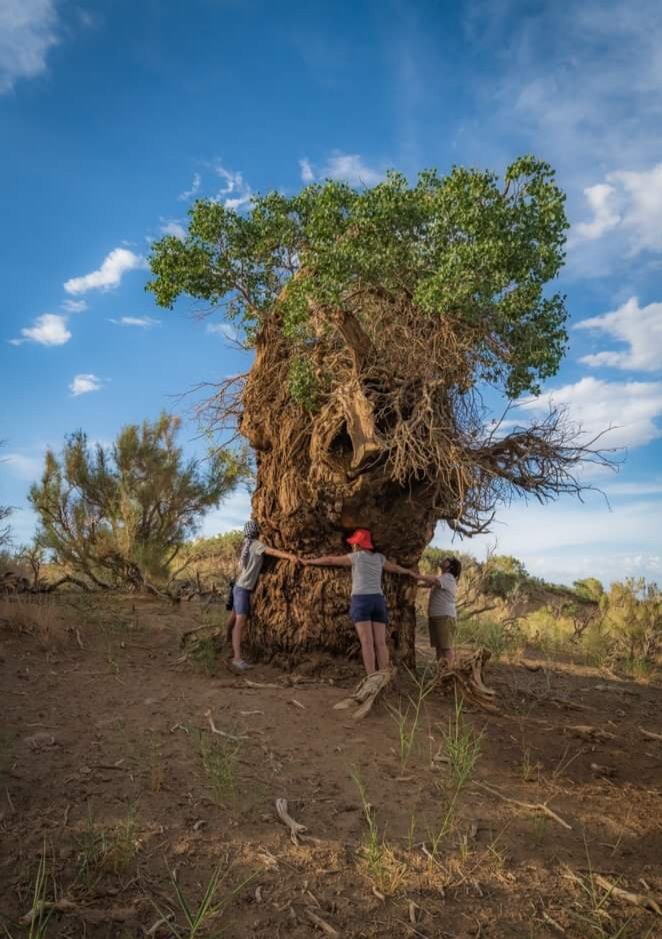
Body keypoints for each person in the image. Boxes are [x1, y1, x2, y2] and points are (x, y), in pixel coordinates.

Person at [303, 528, 417, 675]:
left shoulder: (356, 557)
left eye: (353, 543)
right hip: (378, 600)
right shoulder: (379, 558)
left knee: (367, 642)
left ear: (358, 545)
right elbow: (394, 568)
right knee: (381, 643)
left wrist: (309, 561)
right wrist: (408, 572)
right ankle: (383, 675)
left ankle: (371, 676)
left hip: (362, 600)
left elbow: (331, 560)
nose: (352, 546)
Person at [227, 520, 299, 671]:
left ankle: (226, 641)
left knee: (233, 619)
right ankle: (237, 658)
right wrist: (290, 556)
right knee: (240, 623)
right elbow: (272, 552)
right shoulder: (256, 545)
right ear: (256, 533)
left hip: (238, 588)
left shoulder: (246, 546)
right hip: (243, 590)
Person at [417, 556, 462, 665]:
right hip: (438, 617)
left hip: (444, 617)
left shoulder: (448, 577)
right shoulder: (443, 578)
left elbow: (433, 580)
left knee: (446, 648)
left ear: (450, 567)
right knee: (439, 647)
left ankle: (450, 672)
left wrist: (415, 575)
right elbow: (428, 584)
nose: (444, 559)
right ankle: (441, 673)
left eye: (448, 560)